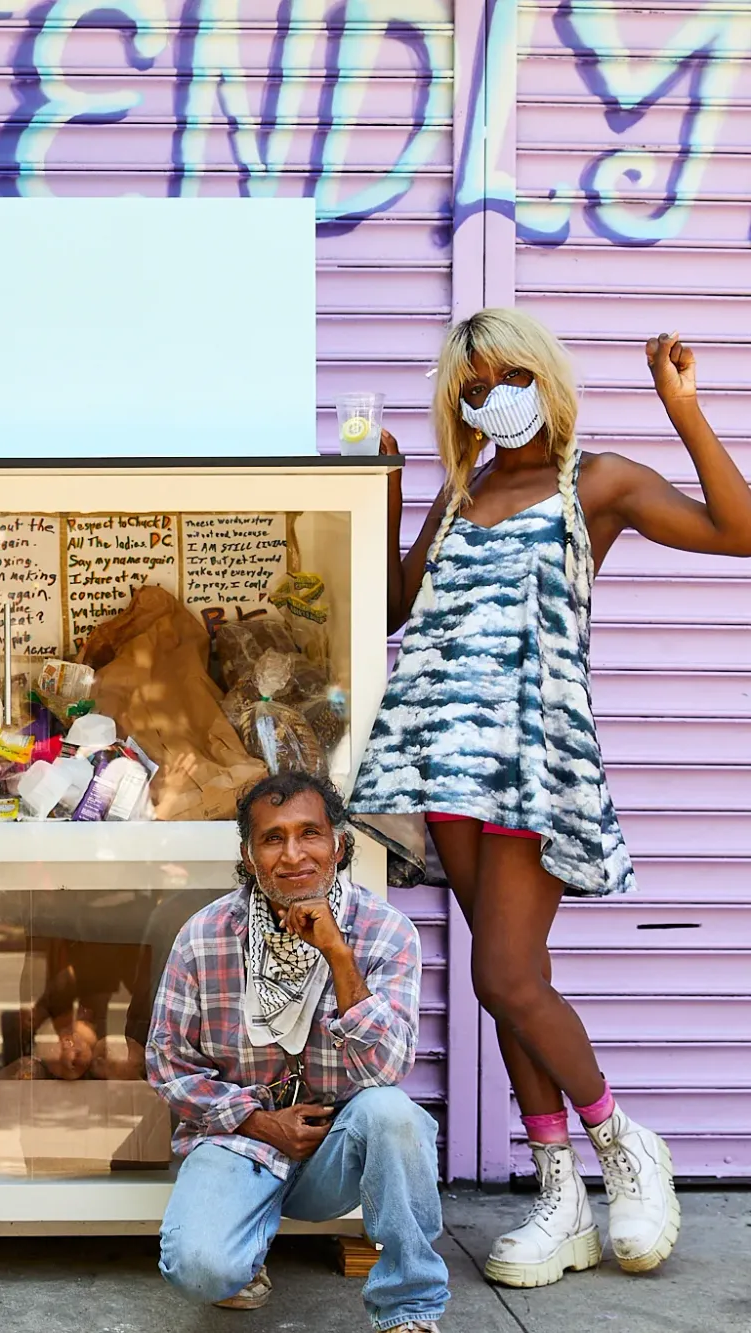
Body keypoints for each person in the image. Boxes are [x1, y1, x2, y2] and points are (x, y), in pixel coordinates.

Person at [354, 311, 751, 1287]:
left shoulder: (594, 479)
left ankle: (622, 1144)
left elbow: (736, 532)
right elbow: (399, 609)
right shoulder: (464, 489)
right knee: (503, 981)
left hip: (529, 756)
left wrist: (683, 408)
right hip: (437, 752)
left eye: (507, 374)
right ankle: (558, 1198)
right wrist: (397, 486)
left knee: (505, 974)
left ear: (543, 374)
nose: (493, 395)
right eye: (472, 384)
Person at [150, 772, 446, 1333]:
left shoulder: (385, 931)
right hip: (239, 1138)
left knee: (395, 1116)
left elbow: (387, 1070)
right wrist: (260, 1123)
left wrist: (338, 953)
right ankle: (241, 1254)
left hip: (339, 1146)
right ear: (248, 853)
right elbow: (167, 1063)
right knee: (200, 1272)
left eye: (310, 834)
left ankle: (409, 1309)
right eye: (272, 838)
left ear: (339, 842)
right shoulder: (205, 935)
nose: (293, 855)